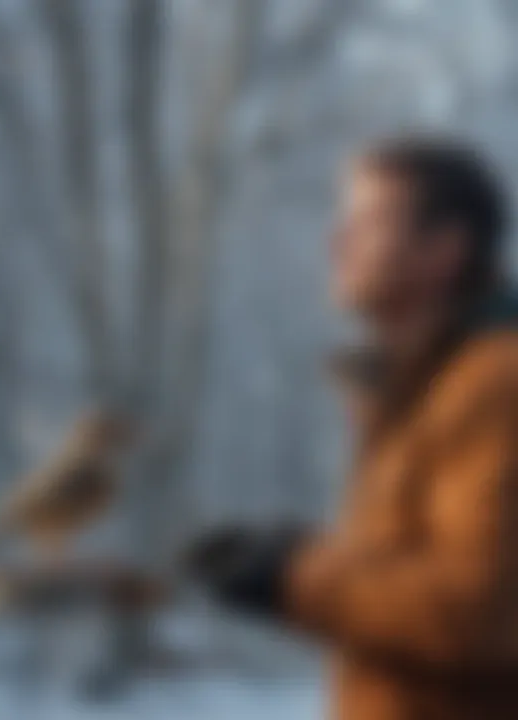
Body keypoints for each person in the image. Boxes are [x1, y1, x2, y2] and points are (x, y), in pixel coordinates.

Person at [184, 136, 518, 720]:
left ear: (444, 250)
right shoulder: (424, 384)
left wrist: (293, 575)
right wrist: (290, 555)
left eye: (367, 222)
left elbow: (480, 614)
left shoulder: (494, 385)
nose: (336, 242)